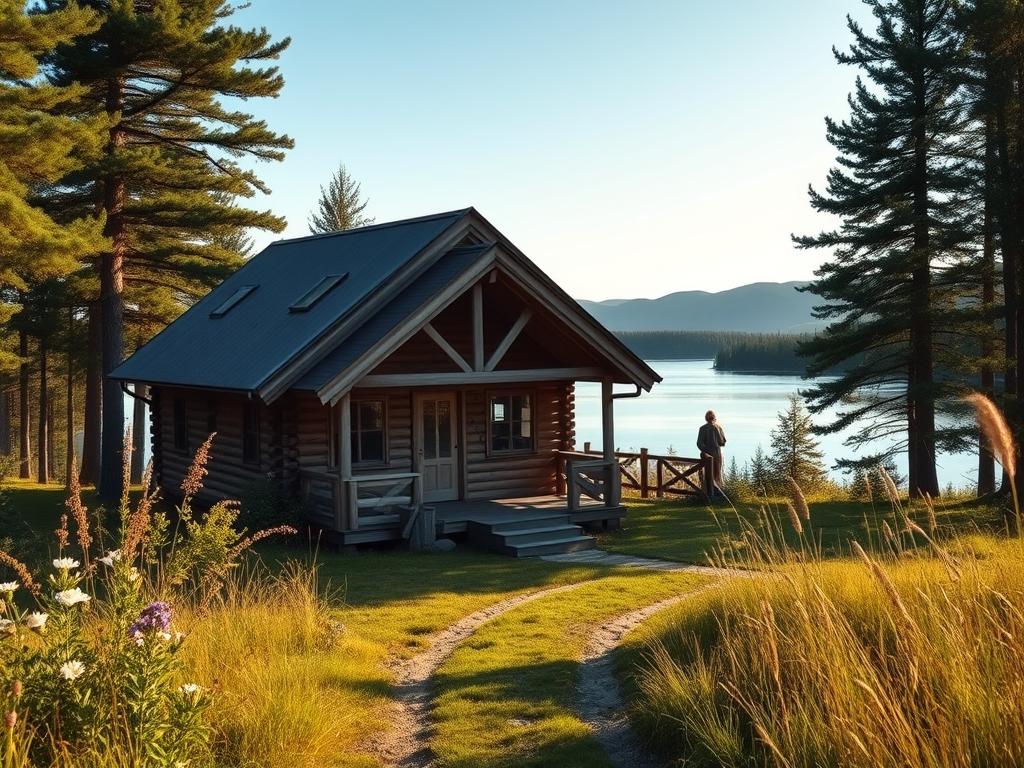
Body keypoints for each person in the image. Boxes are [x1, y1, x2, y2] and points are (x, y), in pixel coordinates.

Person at [697, 410, 727, 498]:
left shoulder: (703, 428)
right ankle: (716, 494)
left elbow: (699, 443)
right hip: (716, 454)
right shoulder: (718, 427)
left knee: (709, 474)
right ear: (714, 418)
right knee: (716, 474)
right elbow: (723, 442)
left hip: (708, 455)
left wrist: (705, 450)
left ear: (706, 418)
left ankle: (710, 494)